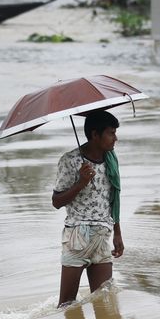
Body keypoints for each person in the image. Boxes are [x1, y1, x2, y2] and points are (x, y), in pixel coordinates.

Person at [51, 110, 125, 307]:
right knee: (67, 304)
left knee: (105, 303)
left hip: (102, 235)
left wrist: (117, 233)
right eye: (111, 133)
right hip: (77, 236)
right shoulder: (70, 160)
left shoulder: (111, 159)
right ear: (95, 134)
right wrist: (81, 182)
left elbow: (113, 198)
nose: (115, 138)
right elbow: (57, 201)